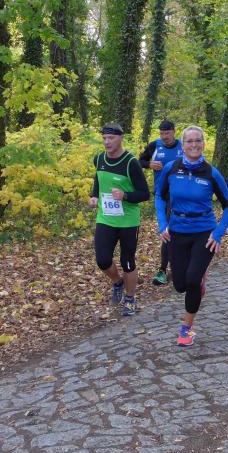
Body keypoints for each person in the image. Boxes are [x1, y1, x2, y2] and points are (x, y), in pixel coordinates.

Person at [155, 126, 228, 346]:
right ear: (183, 145)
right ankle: (198, 279)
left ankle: (186, 330)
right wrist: (162, 224)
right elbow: (159, 196)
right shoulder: (171, 168)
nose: (193, 145)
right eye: (189, 141)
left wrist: (218, 233)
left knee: (191, 281)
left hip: (204, 232)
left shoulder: (211, 173)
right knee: (179, 285)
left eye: (197, 140)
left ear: (203, 144)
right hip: (177, 230)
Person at [88, 123, 150, 316]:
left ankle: (130, 299)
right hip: (105, 218)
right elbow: (99, 179)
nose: (107, 142)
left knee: (127, 261)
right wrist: (94, 195)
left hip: (128, 221)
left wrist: (125, 195)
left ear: (121, 138)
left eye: (111, 138)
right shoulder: (99, 159)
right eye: (104, 138)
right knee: (102, 260)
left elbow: (145, 194)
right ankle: (117, 282)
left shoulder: (131, 162)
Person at [138, 119, 183, 286]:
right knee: (167, 231)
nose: (165, 137)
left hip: (183, 195)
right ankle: (164, 270)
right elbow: (139, 161)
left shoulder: (184, 146)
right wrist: (149, 164)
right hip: (163, 195)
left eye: (167, 133)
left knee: (178, 230)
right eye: (162, 133)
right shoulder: (154, 146)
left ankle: (179, 267)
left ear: (174, 131)